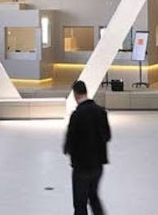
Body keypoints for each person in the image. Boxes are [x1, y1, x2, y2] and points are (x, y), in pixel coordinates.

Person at [63, 79, 111, 215]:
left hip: (81, 166)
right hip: (98, 165)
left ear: (75, 94)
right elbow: (107, 136)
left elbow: (70, 141)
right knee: (93, 197)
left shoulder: (76, 115)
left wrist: (68, 149)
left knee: (80, 202)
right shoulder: (101, 112)